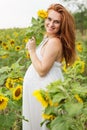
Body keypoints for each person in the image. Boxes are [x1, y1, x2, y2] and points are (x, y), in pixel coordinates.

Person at [22, 3, 76, 130]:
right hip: (39, 92)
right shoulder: (48, 38)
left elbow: (42, 71)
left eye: (56, 22)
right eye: (49, 19)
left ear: (61, 25)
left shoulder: (55, 42)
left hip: (46, 92)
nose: (51, 24)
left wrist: (32, 51)